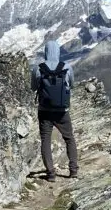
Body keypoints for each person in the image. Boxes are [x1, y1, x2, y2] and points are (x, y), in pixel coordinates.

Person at [31, 40, 78, 182]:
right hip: (62, 111)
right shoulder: (67, 67)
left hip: (44, 110)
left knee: (45, 140)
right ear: (58, 51)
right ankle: (73, 170)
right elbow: (72, 85)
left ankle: (51, 173)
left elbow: (33, 87)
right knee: (69, 138)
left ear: (45, 52)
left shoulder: (38, 68)